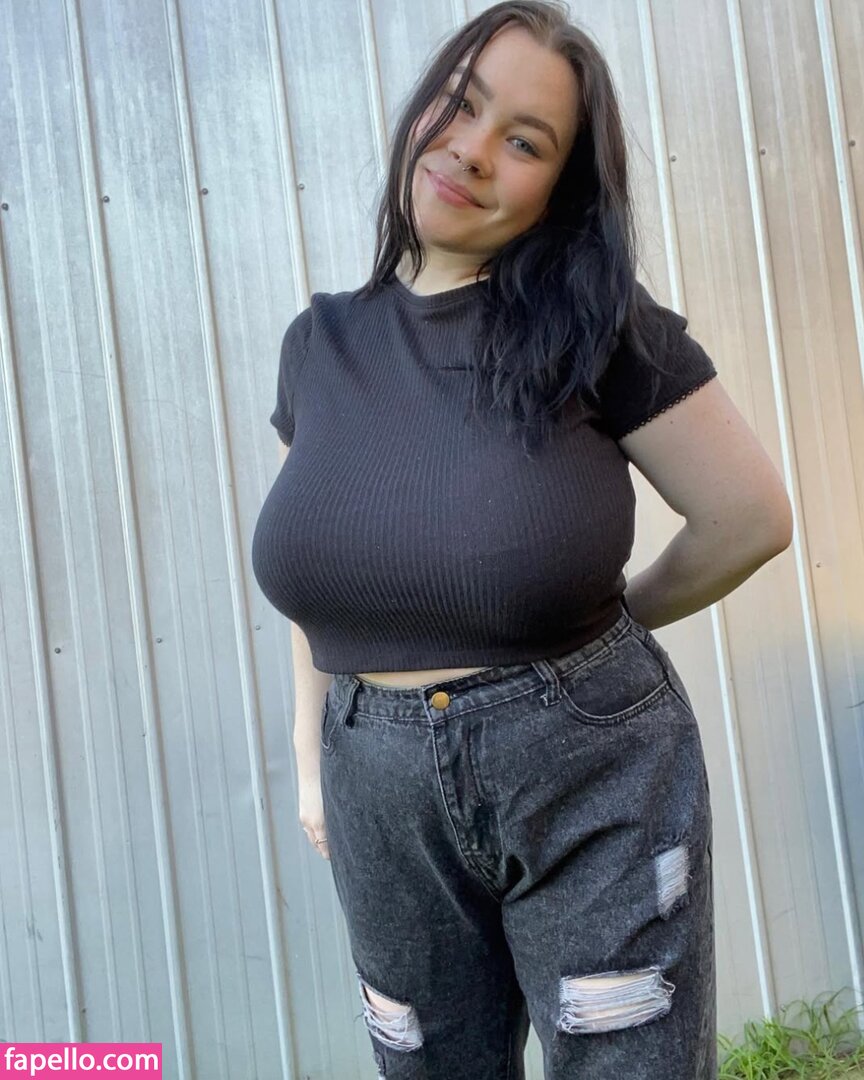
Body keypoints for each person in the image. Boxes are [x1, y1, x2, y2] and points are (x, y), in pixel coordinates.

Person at [251, 2, 793, 1076]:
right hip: (375, 786)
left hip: (588, 771)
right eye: (462, 106)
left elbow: (748, 518)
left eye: (526, 141)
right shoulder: (318, 346)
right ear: (421, 113)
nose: (473, 150)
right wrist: (311, 762)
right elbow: (318, 590)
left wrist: (601, 635)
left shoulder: (598, 325)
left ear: (559, 192)